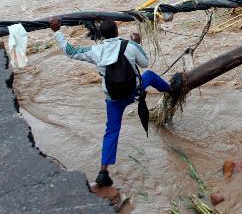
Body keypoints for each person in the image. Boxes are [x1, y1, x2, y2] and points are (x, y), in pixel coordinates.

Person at [49, 17, 171, 188]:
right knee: (149, 75)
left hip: (113, 99)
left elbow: (71, 51)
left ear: (101, 35)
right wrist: (138, 42)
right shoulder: (130, 46)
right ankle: (172, 90)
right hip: (133, 92)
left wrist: (57, 31)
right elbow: (145, 63)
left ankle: (103, 171)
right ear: (117, 31)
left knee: (112, 131)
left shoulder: (96, 51)